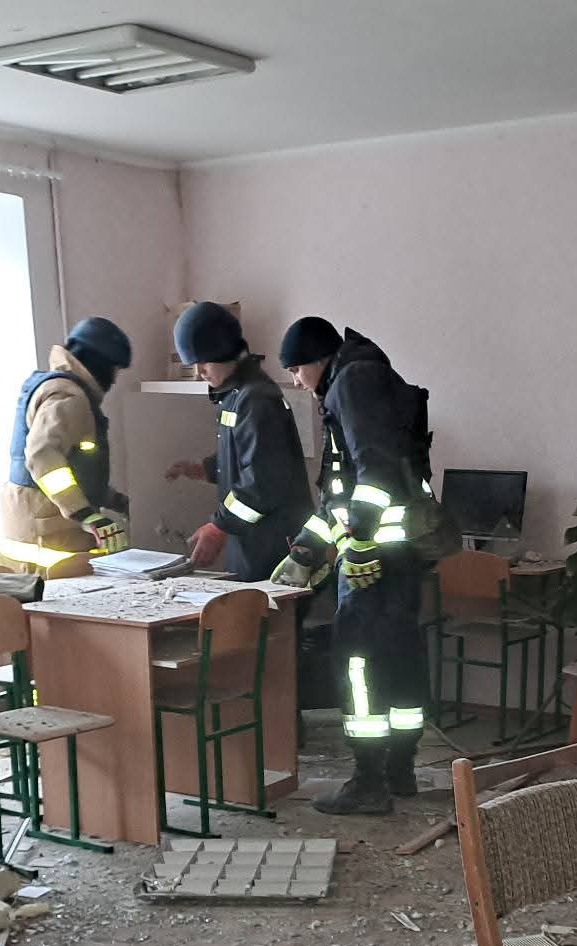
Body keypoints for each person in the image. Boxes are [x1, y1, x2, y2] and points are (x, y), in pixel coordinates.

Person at [272, 316, 445, 815]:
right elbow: (343, 496)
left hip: (373, 563)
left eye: (297, 370)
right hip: (401, 555)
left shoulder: (350, 384)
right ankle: (400, 770)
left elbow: (375, 474)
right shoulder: (368, 376)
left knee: (357, 664)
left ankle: (368, 780)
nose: (298, 382)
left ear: (316, 360)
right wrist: (307, 550)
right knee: (401, 658)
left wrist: (363, 542)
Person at [164, 302, 311, 581]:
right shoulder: (234, 395)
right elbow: (243, 456)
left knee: (265, 609)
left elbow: (262, 481)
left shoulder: (256, 400)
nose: (199, 372)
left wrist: (218, 527)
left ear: (223, 350)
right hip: (250, 543)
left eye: (203, 362)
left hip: (272, 546)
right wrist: (206, 469)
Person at [0, 317, 133, 575]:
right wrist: (83, 513)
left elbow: (75, 466)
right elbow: (42, 456)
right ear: (100, 364)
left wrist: (112, 499)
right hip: (48, 539)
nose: (114, 380)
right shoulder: (70, 397)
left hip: (35, 527)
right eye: (114, 369)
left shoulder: (56, 387)